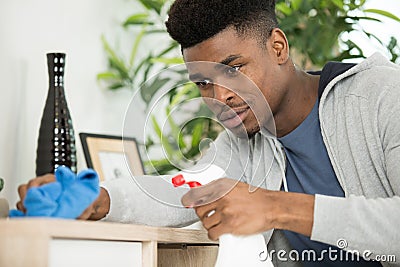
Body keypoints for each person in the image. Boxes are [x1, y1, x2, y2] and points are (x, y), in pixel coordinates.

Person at [15, 0, 400, 266]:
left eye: (233, 69)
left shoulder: (383, 96)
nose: (221, 97)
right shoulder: (243, 140)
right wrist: (98, 199)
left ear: (278, 47)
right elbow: (185, 188)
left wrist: (277, 207)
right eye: (203, 84)